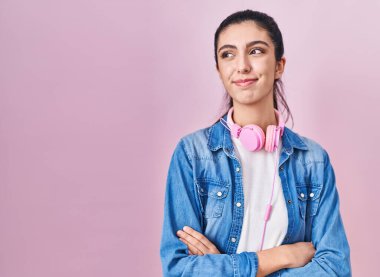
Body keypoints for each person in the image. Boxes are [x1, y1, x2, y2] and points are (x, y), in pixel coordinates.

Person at [159, 9, 351, 277]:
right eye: (228, 54)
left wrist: (224, 268)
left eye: (256, 51)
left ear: (279, 66)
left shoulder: (313, 160)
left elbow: (335, 269)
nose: (242, 66)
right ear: (219, 69)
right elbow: (179, 269)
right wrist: (278, 257)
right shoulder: (193, 154)